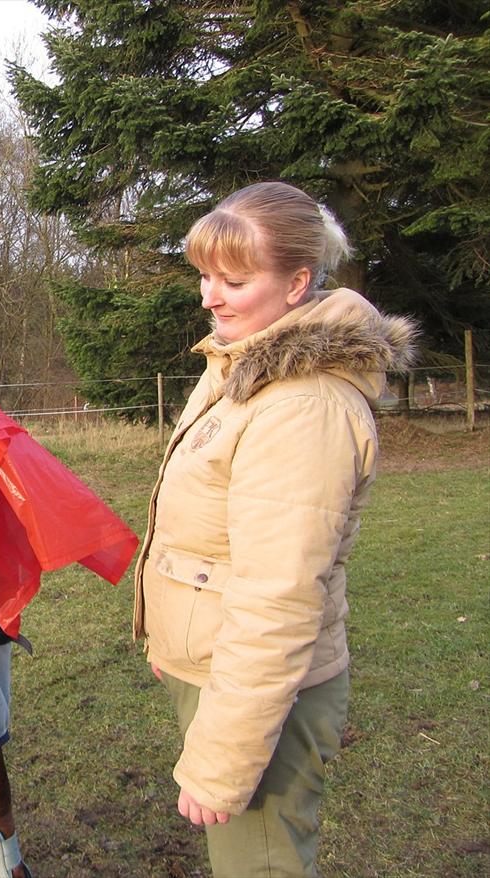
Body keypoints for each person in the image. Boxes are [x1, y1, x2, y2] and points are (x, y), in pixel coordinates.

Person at [134, 181, 417, 876]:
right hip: (223, 673)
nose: (209, 296)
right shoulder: (241, 360)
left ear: (297, 283)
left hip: (264, 696)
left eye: (233, 279)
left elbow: (279, 599)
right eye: (204, 275)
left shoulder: (303, 406)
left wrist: (224, 760)